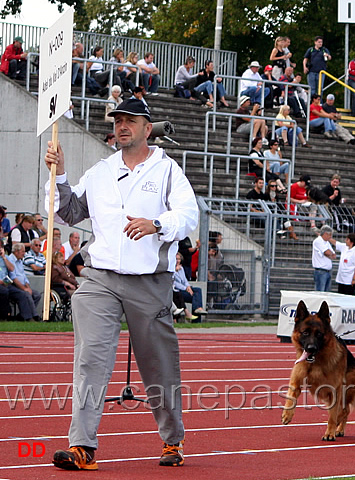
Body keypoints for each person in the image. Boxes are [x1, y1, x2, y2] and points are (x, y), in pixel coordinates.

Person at [44, 98, 198, 469]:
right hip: (100, 278)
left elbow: (188, 215)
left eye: (131, 120)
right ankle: (82, 446)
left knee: (158, 364)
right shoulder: (101, 171)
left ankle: (172, 440)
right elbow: (67, 211)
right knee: (90, 358)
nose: (122, 126)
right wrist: (60, 174)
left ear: (149, 128)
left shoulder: (168, 171)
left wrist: (156, 224)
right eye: (118, 120)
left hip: (150, 282)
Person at [7, 243, 42, 321]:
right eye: (22, 251)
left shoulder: (20, 261)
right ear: (16, 251)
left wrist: (28, 287)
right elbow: (14, 278)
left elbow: (24, 277)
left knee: (37, 295)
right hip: (14, 285)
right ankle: (34, 316)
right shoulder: (10, 260)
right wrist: (24, 289)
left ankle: (24, 314)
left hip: (22, 285)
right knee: (26, 294)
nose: (24, 253)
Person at [173, 252, 206, 319]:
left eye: (179, 259)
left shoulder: (181, 268)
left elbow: (185, 280)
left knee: (197, 291)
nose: (177, 261)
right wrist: (185, 288)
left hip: (185, 288)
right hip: (177, 291)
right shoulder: (170, 270)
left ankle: (197, 309)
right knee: (195, 297)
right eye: (176, 259)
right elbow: (174, 283)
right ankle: (196, 310)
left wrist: (188, 287)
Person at [312, 225, 336, 291]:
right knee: (320, 292)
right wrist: (328, 254)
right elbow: (327, 252)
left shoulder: (327, 242)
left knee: (326, 293)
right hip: (321, 271)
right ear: (325, 234)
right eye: (330, 235)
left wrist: (328, 254)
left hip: (328, 271)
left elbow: (333, 255)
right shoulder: (318, 241)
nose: (330, 237)